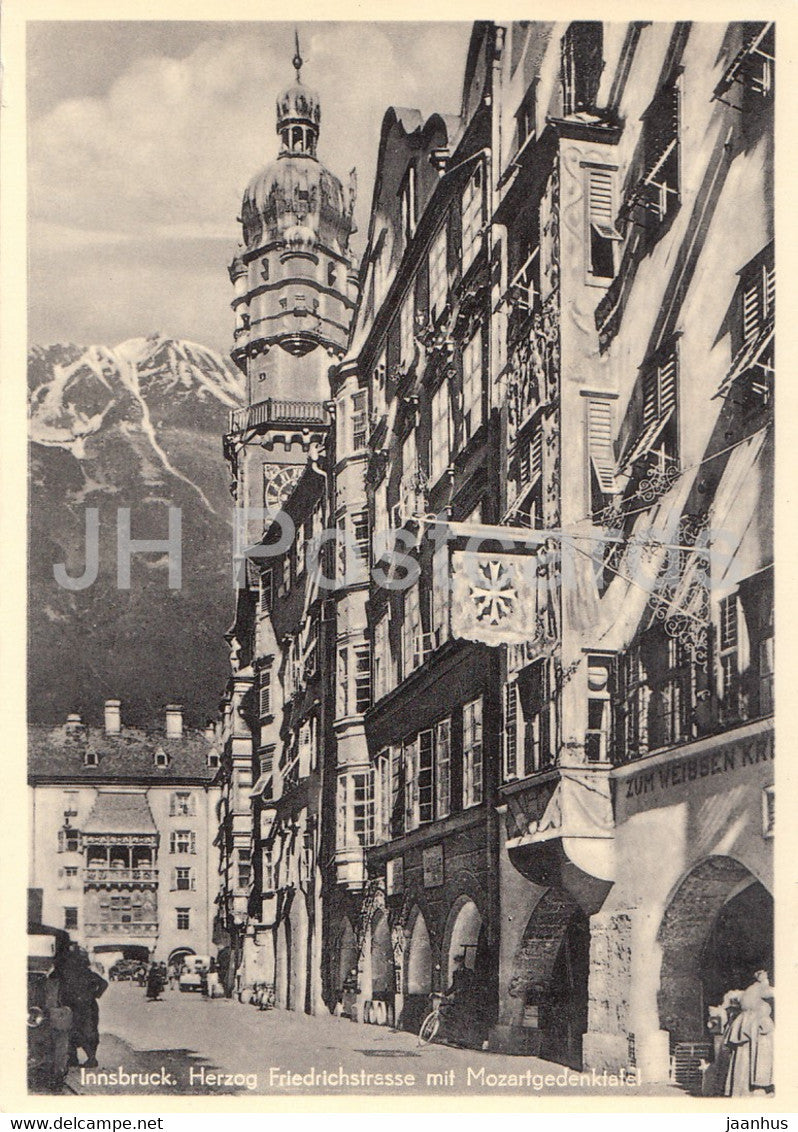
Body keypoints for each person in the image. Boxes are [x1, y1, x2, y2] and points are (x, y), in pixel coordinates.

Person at [724, 969, 774, 1096]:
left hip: (747, 1026)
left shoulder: (750, 990)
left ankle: (742, 1089)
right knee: (753, 1057)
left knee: (743, 1058)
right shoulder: (760, 988)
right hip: (754, 1027)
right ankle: (755, 1088)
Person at [60, 946, 107, 1069]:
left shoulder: (68, 974)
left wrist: (95, 995)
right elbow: (103, 983)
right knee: (83, 1032)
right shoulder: (86, 973)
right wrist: (96, 995)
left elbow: (103, 984)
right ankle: (84, 1058)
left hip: (80, 1008)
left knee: (79, 1032)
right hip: (85, 1006)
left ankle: (86, 1059)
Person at [444, 954, 477, 1044]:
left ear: (462, 962)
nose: (457, 964)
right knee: (455, 1018)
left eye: (458, 962)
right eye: (456, 962)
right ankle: (454, 1038)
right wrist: (446, 993)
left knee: (464, 1019)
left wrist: (461, 991)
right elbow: (454, 986)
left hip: (466, 999)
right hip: (457, 999)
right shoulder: (455, 973)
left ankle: (465, 1040)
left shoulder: (469, 972)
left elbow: (471, 986)